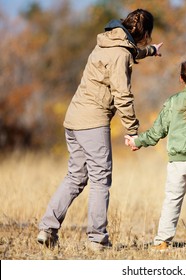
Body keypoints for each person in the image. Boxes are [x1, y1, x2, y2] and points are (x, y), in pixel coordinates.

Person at [37, 9, 163, 251]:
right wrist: (133, 130)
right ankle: (97, 239)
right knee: (100, 179)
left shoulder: (109, 42)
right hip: (92, 122)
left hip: (73, 119)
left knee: (76, 177)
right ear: (145, 32)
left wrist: (151, 51)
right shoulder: (120, 55)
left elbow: (130, 51)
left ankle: (47, 229)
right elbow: (122, 95)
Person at [126, 58, 186, 253]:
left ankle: (162, 241)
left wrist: (137, 141)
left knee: (172, 200)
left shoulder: (172, 102)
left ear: (181, 79)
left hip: (177, 162)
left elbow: (157, 132)